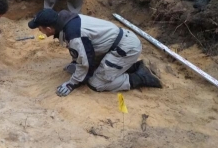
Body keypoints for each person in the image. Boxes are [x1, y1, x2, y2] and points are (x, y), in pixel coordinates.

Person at [28, 9, 162, 97]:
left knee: (95, 83)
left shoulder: (74, 35)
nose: (40, 31)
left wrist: (72, 83)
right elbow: (86, 50)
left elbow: (85, 63)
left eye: (40, 29)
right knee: (90, 70)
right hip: (118, 44)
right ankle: (129, 67)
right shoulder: (66, 20)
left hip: (125, 49)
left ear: (49, 29)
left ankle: (142, 76)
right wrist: (76, 62)